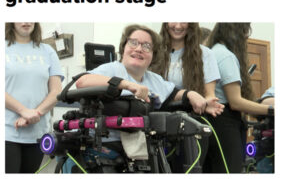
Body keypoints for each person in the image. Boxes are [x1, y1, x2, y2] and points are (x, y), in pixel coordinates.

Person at [75, 25, 224, 165]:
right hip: (102, 147)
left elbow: (174, 93)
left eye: (146, 46)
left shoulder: (153, 80)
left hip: (139, 149)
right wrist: (125, 84)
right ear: (124, 47)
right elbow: (82, 82)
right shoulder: (112, 69)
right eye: (133, 43)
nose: (139, 49)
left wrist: (192, 94)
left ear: (153, 55)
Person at [203, 23, 274, 173]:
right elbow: (235, 102)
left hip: (211, 123)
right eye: (245, 31)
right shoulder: (226, 56)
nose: (246, 36)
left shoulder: (212, 51)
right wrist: (271, 110)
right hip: (224, 123)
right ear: (236, 32)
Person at [151, 22, 221, 172]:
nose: (178, 25)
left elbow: (209, 93)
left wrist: (207, 101)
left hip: (190, 121)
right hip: (157, 122)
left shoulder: (205, 54)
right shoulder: (154, 51)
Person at [5, 22, 64, 173]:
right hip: (6, 132)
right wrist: (23, 110)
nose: (26, 22)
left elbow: (56, 91)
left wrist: (35, 113)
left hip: (37, 133)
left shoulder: (47, 51)